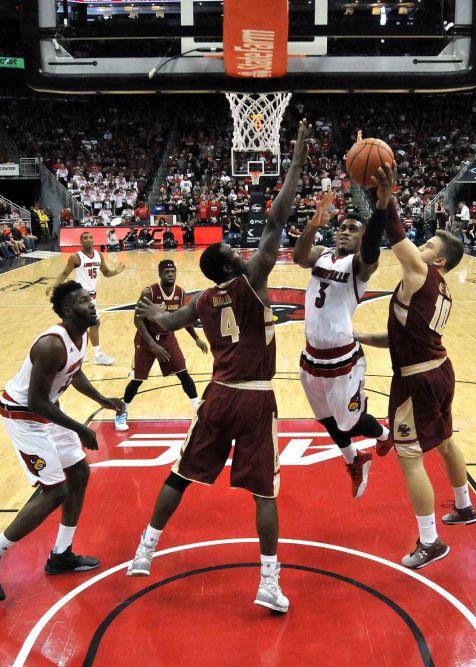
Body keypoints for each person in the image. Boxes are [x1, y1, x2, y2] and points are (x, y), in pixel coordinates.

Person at [125, 119, 313, 614]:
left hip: (217, 394)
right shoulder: (253, 279)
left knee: (181, 475)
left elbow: (166, 319)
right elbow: (277, 219)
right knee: (264, 493)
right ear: (233, 264)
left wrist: (147, 316)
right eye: (233, 249)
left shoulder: (204, 299)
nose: (239, 247)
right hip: (253, 396)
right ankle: (268, 583)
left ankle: (145, 551)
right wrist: (296, 157)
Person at [0, 282, 126, 601]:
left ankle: (61, 554)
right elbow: (37, 401)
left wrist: (102, 399)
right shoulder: (51, 344)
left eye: (90, 299)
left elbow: (74, 372)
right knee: (55, 491)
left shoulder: (78, 337)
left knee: (79, 472)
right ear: (68, 311)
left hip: (47, 410)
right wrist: (81, 428)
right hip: (23, 416)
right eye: (83, 301)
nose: (92, 305)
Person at [356, 161, 476, 570]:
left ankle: (430, 541)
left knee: (410, 457)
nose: (421, 249)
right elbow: (400, 338)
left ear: (439, 262)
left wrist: (386, 197)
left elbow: (396, 236)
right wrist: (357, 338)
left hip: (417, 380)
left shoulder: (422, 275)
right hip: (439, 368)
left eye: (429, 248)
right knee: (444, 440)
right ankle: (464, 506)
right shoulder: (437, 288)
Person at [292, 190, 390, 498]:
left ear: (362, 240)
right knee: (325, 417)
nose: (345, 231)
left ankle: (385, 434)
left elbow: (372, 250)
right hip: (311, 356)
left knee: (348, 423)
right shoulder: (321, 253)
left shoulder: (359, 267)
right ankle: (354, 459)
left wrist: (380, 208)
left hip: (342, 360)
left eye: (353, 229)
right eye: (343, 227)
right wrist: (313, 224)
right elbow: (298, 258)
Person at [116, 259, 209, 431]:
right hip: (146, 340)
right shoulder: (149, 292)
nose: (170, 274)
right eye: (167, 272)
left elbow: (183, 317)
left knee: (183, 374)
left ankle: (198, 410)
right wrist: (153, 346)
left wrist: (196, 338)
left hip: (167, 338)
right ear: (159, 274)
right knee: (137, 380)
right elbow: (137, 320)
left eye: (173, 271)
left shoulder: (180, 292)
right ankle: (121, 412)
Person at [47, 231, 125, 365]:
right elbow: (65, 273)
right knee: (94, 322)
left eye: (90, 237)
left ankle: (78, 353)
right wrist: (53, 285)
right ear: (81, 241)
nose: (89, 240)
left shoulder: (99, 255)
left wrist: (116, 272)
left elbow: (106, 273)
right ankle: (97, 355)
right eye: (85, 238)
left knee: (80, 325)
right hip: (80, 296)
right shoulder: (76, 257)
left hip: (92, 295)